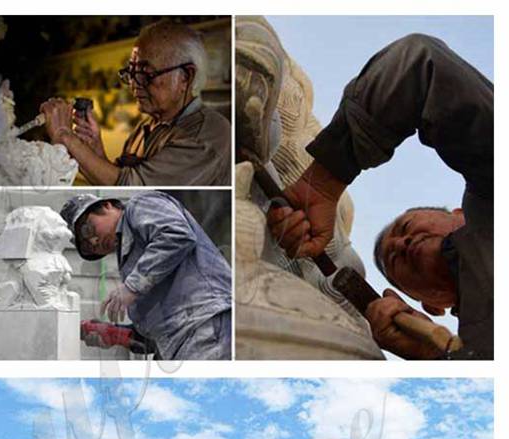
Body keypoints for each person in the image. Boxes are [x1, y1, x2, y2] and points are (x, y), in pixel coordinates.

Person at [266, 34, 493, 359]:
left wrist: (324, 182)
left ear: (459, 213)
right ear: (430, 306)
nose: (402, 244)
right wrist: (435, 358)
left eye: (405, 227)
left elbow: (419, 66)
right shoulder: (478, 350)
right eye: (394, 261)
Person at [41, 21, 230, 186]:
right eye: (131, 73)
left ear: (186, 77)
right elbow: (119, 180)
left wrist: (65, 136)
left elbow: (135, 189)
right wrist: (96, 150)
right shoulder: (146, 127)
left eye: (147, 74)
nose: (134, 85)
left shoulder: (205, 135)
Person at [60, 192, 232, 360]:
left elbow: (177, 235)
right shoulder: (130, 258)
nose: (93, 242)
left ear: (106, 206)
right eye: (87, 247)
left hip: (205, 324)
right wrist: (116, 334)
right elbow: (161, 333)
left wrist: (133, 286)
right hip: (185, 339)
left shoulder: (140, 205)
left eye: (88, 230)